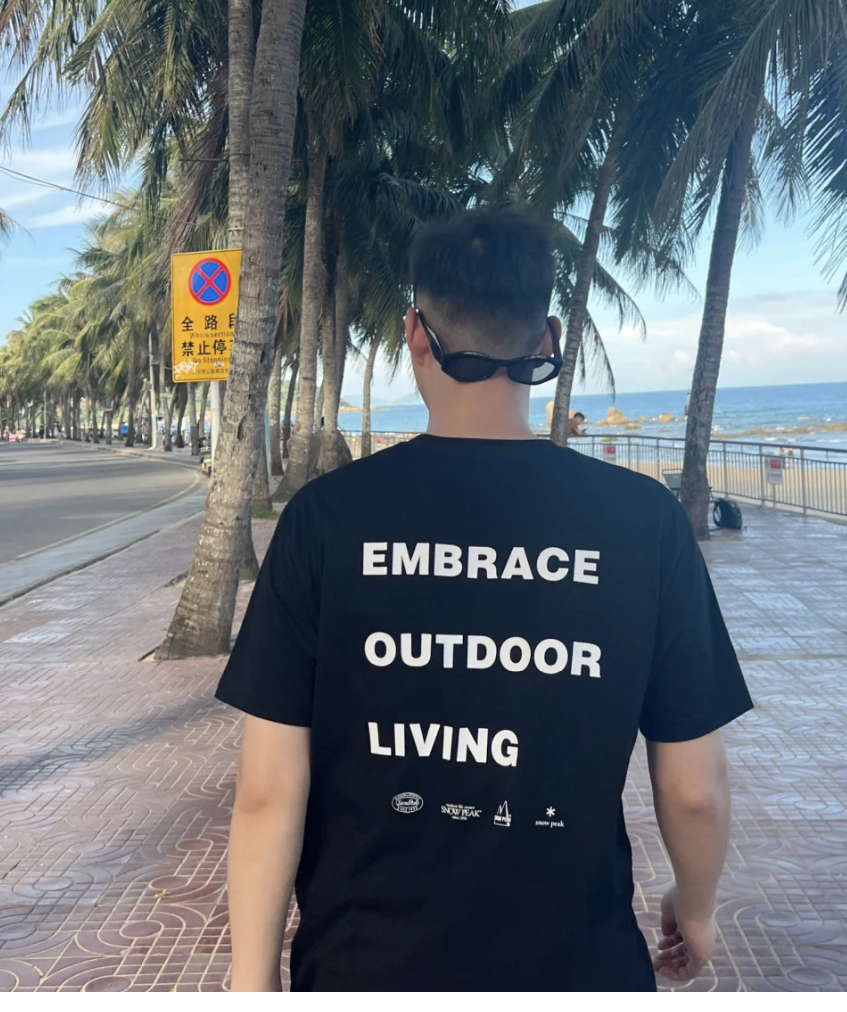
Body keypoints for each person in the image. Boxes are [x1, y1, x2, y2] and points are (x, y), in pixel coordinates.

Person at [217, 206, 752, 993]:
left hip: (366, 969)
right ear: (548, 341)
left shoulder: (325, 520)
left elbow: (267, 791)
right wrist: (696, 908)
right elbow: (694, 790)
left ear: (415, 334)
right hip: (575, 969)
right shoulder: (643, 522)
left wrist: (251, 981)